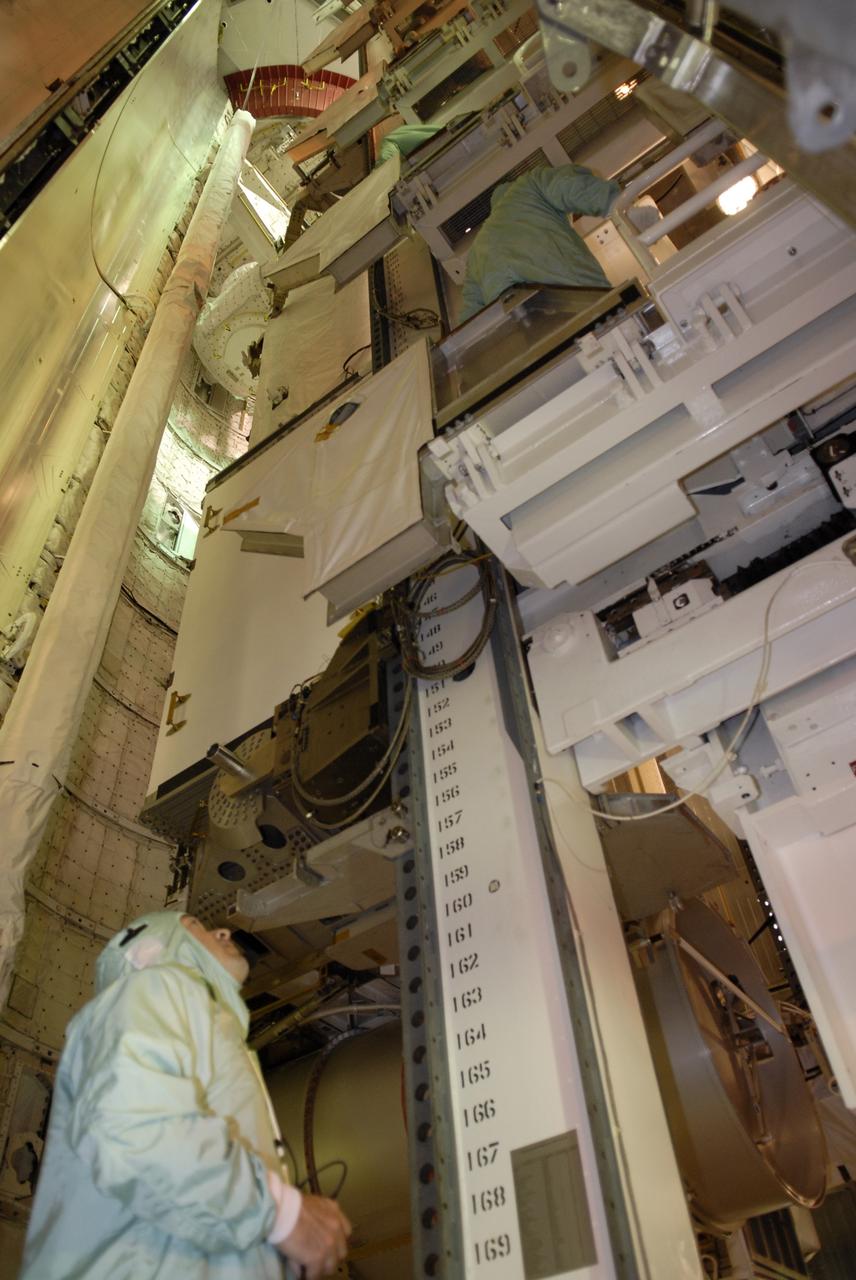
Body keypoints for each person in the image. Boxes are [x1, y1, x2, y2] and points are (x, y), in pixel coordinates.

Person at [20, 911, 352, 1280]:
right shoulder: (153, 987)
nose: (223, 931)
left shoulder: (204, 1029)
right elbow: (133, 1126)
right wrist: (282, 1214)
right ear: (150, 951)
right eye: (195, 925)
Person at [459, 162, 621, 321]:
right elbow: (571, 185)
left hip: (536, 337)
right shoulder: (530, 186)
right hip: (587, 304)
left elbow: (470, 321)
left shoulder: (475, 255)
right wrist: (619, 205)